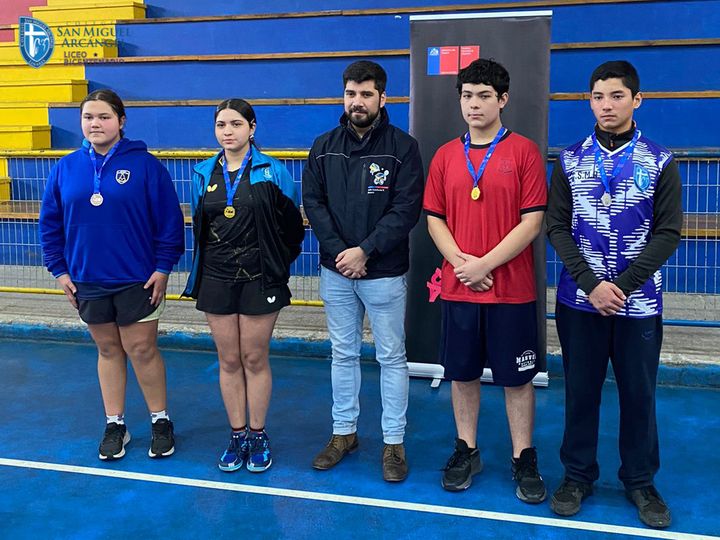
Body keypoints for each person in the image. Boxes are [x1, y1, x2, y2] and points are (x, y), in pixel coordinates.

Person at [546, 60, 682, 529]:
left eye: (617, 96)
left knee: (638, 395)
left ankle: (640, 481)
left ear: (636, 100)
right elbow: (557, 227)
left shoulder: (659, 161)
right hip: (579, 301)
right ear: (590, 102)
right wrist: (591, 284)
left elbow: (668, 232)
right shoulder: (570, 160)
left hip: (637, 304)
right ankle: (577, 475)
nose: (607, 105)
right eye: (599, 96)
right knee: (580, 392)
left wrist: (620, 287)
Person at [423, 59, 548, 503]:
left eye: (484, 96)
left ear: (503, 99)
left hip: (511, 289)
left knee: (517, 379)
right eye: (467, 96)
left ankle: (523, 456)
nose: (473, 104)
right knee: (462, 374)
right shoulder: (445, 155)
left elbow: (532, 222)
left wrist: (485, 265)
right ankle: (466, 449)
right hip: (460, 287)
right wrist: (462, 265)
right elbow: (434, 218)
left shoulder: (525, 152)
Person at [39, 89, 185, 461]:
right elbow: (50, 225)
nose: (95, 124)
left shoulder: (146, 166)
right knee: (107, 350)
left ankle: (161, 421)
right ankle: (115, 424)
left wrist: (163, 267)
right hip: (87, 279)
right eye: (88, 117)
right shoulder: (65, 168)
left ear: (121, 121)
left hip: (138, 278)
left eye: (104, 116)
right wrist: (59, 270)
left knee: (142, 350)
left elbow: (169, 222)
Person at [302, 60, 424, 482]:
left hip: (384, 273)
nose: (358, 101)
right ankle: (344, 433)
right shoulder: (323, 146)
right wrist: (342, 253)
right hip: (336, 272)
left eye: (366, 94)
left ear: (382, 98)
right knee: (342, 354)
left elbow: (406, 209)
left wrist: (365, 251)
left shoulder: (403, 147)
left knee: (391, 357)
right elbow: (313, 203)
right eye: (351, 94)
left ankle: (394, 442)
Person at [183, 99, 304, 473]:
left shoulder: (274, 171)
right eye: (221, 125)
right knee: (229, 359)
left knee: (254, 357)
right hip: (216, 278)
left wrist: (276, 263)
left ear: (252, 128)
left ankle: (258, 433)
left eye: (236, 124)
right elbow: (200, 225)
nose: (228, 131)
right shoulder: (203, 173)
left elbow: (292, 228)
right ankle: (237, 435)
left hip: (260, 279)